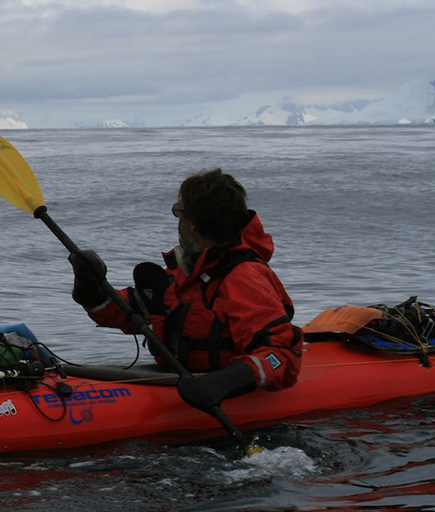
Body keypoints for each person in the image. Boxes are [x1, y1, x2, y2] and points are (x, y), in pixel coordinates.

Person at [68, 168, 302, 412]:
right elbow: (132, 310)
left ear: (192, 225)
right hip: (186, 383)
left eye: (178, 212)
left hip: (224, 395)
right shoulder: (187, 274)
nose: (177, 221)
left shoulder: (243, 279)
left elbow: (282, 357)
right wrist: (90, 288)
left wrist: (222, 383)